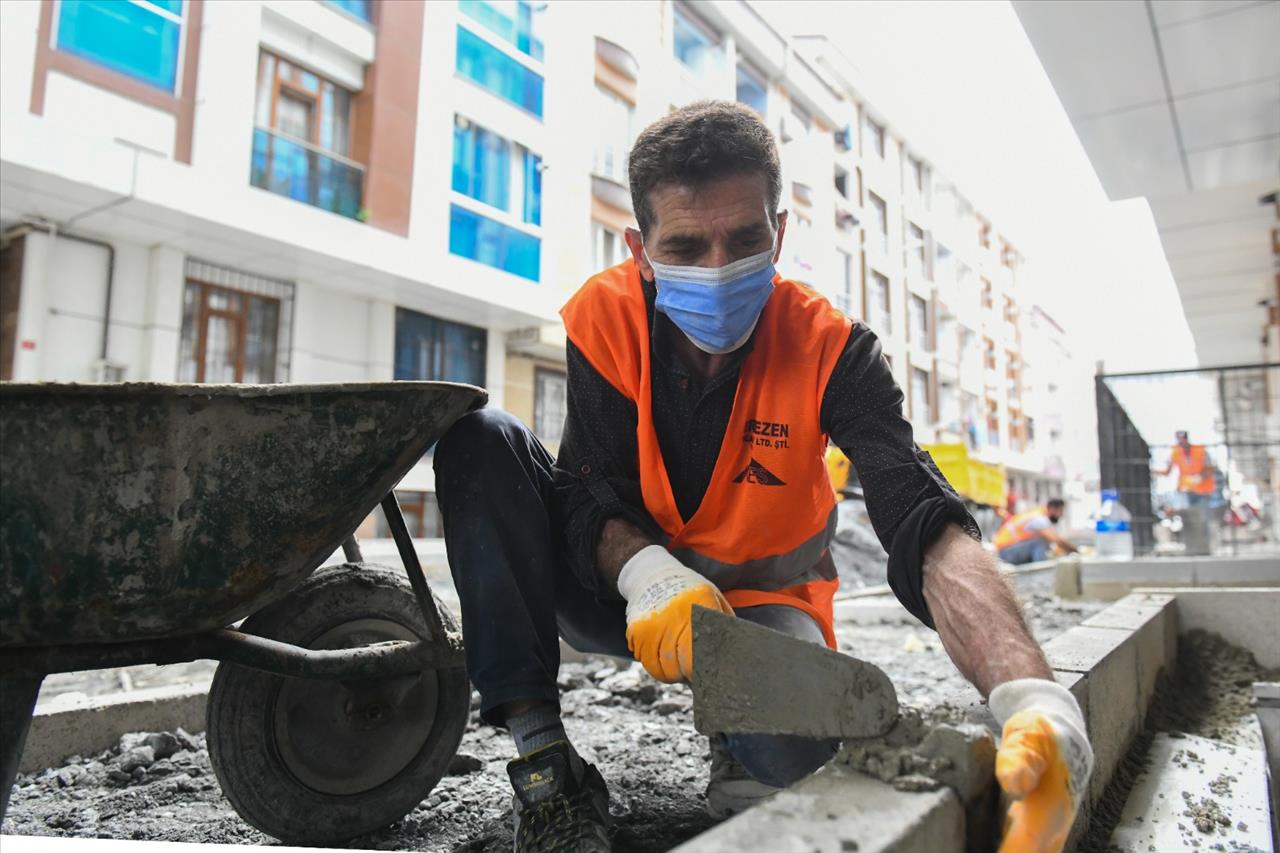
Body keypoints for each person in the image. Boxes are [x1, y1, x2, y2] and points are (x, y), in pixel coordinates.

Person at [433, 102, 1092, 853]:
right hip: (612, 591)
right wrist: (653, 576)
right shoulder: (605, 316)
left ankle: (738, 743)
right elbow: (589, 487)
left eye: (745, 240)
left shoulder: (832, 348)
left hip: (756, 612)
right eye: (685, 244)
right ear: (639, 249)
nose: (718, 269)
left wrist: (1032, 694)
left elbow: (924, 522)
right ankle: (544, 763)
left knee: (793, 756)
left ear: (779, 233)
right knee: (480, 440)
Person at [994, 498, 1077, 565]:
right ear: (1052, 509)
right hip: (1005, 553)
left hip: (1008, 551)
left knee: (1044, 543)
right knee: (1041, 542)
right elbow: (1056, 540)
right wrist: (1075, 550)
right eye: (1060, 511)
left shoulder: (1038, 514)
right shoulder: (1039, 519)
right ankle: (1040, 573)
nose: (1061, 515)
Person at [1152, 430, 1217, 508]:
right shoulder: (1175, 453)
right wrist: (1152, 471)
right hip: (1186, 492)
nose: (1181, 443)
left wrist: (1198, 478)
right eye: (1179, 441)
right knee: (1173, 503)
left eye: (1183, 440)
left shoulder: (1200, 450)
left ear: (1187, 439)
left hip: (1205, 492)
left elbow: (1211, 468)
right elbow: (1167, 471)